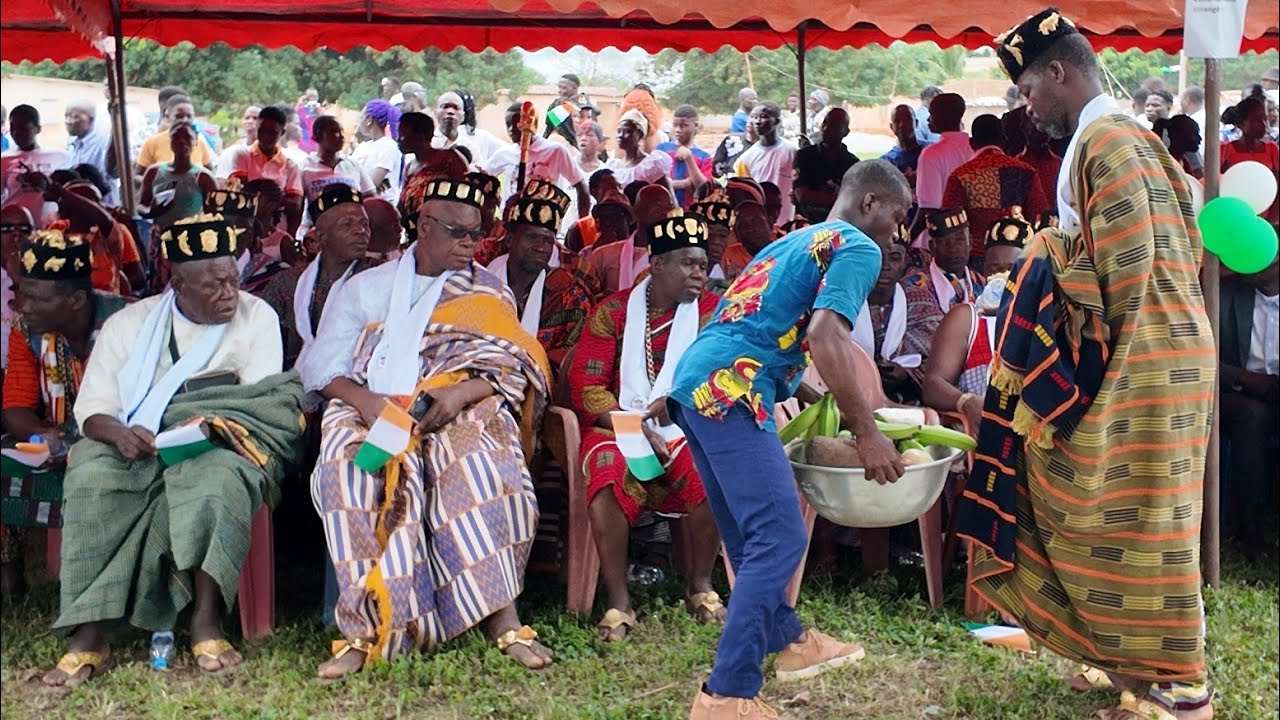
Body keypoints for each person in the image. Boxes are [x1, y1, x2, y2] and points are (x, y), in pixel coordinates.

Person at [959, 12, 1218, 719]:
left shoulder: (1106, 140)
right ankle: (1119, 658)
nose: (1025, 105)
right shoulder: (1125, 136)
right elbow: (1180, 244)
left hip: (1146, 356)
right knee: (1093, 504)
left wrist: (1046, 260)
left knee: (1139, 523)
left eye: (1026, 89)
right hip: (1155, 347)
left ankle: (1182, 690)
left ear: (1057, 73)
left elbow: (1122, 265)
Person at [669, 160, 912, 719]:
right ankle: (726, 695)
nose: (895, 237)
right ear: (871, 204)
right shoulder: (858, 246)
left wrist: (799, 387)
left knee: (753, 541)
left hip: (696, 383)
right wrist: (867, 431)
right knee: (779, 539)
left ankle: (794, 643)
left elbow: (759, 324)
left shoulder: (791, 242)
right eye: (896, 220)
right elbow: (827, 336)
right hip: (731, 392)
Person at [299, 177, 554, 677]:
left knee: (481, 461)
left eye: (477, 235)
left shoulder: (488, 289)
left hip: (455, 404)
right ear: (423, 226)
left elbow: (507, 366)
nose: (469, 245)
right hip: (372, 404)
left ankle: (504, 619)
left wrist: (457, 395)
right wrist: (369, 402)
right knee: (345, 468)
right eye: (457, 233)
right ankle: (363, 629)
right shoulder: (365, 288)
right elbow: (322, 370)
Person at [42, 213, 304, 687]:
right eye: (214, 285)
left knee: (219, 478)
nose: (230, 293)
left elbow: (263, 405)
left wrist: (196, 424)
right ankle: (91, 631)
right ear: (177, 284)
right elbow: (95, 409)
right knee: (89, 475)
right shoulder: (130, 325)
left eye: (233, 279)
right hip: (133, 444)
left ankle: (206, 618)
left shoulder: (256, 317)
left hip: (215, 444)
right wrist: (120, 434)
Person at [567, 214, 726, 642]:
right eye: (688, 264)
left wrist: (680, 408)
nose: (700, 273)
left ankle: (701, 585)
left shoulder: (715, 313)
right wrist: (632, 424)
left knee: (711, 466)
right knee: (604, 469)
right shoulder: (613, 312)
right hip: (615, 426)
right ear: (656, 266)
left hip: (688, 424)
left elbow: (725, 376)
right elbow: (586, 386)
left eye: (703, 263)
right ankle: (619, 599)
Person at [1, 231, 129, 600]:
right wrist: (47, 436)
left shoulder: (125, 322)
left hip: (118, 439)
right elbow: (15, 408)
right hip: (57, 435)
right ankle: (10, 578)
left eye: (36, 297)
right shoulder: (26, 331)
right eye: (22, 293)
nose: (23, 306)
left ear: (75, 300)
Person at [921, 212, 1032, 430]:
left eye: (1011, 268)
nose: (1003, 275)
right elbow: (933, 385)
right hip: (982, 440)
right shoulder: (967, 319)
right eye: (995, 268)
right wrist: (967, 402)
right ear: (984, 270)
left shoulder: (1046, 317)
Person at [259, 185, 376, 369]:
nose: (360, 231)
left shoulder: (379, 277)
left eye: (364, 224)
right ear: (321, 237)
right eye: (347, 224)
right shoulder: (287, 283)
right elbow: (262, 340)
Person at [486, 193, 596, 371]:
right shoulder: (481, 283)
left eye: (548, 241)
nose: (541, 248)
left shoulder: (570, 295)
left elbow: (572, 358)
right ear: (510, 239)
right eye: (531, 237)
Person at [1218, 257, 1278, 558]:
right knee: (1253, 416)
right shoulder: (1225, 293)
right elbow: (1201, 354)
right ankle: (1249, 528)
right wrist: (1243, 377)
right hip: (1232, 394)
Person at [941, 114, 1050, 267]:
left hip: (976, 260)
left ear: (972, 143)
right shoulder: (1026, 171)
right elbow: (1040, 217)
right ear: (1004, 141)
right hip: (1017, 257)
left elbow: (950, 226)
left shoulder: (959, 175)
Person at [851, 224, 937, 403]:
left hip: (909, 403)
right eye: (878, 257)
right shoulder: (843, 297)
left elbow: (939, 360)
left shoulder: (920, 299)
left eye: (895, 258)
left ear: (905, 263)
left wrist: (908, 373)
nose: (885, 266)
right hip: (846, 397)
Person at [483, 102, 590, 220]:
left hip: (542, 222)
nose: (511, 129)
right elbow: (483, 177)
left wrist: (582, 223)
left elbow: (581, 186)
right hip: (510, 221)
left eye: (517, 123)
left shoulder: (555, 151)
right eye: (508, 124)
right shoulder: (504, 154)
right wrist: (498, 203)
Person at [221, 105, 305, 237]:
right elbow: (241, 193)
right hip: (245, 229)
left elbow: (296, 205)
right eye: (261, 131)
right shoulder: (242, 155)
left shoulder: (290, 165)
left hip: (277, 232)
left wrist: (290, 236)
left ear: (282, 133)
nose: (265, 136)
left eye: (272, 133)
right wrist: (279, 198)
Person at [588, 184, 675, 295]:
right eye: (656, 204)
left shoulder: (677, 255)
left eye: (669, 205)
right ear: (636, 210)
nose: (664, 211)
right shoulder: (603, 255)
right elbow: (587, 296)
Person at [909, 93, 973, 242]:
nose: (928, 119)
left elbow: (929, 208)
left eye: (931, 114)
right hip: (970, 236)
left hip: (940, 240)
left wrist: (908, 240)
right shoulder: (973, 148)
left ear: (944, 116)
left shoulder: (931, 154)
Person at [137, 121, 219, 234]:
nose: (181, 141)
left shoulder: (204, 178)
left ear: (196, 142)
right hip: (161, 240)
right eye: (176, 136)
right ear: (169, 141)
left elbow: (215, 216)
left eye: (187, 137)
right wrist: (151, 212)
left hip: (192, 242)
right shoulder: (154, 172)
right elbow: (141, 206)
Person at [902, 208, 983, 321]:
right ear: (932, 248)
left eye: (959, 240)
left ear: (970, 243)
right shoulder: (912, 286)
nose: (953, 248)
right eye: (944, 242)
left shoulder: (982, 284)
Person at [734, 103, 797, 223]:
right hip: (761, 222)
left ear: (777, 121)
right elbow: (743, 193)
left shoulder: (792, 152)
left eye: (763, 116)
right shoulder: (746, 159)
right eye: (754, 117)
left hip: (787, 221)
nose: (757, 121)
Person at [793, 108, 858, 223]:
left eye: (835, 126)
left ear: (846, 132)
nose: (826, 128)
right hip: (805, 225)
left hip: (838, 227)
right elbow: (802, 195)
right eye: (825, 123)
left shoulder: (853, 164)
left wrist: (817, 196)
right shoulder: (804, 155)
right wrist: (839, 199)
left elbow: (853, 202)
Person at [1221, 97, 1279, 224]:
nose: (1264, 124)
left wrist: (1271, 221)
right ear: (1242, 123)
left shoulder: (1272, 150)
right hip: (1233, 218)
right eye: (1257, 119)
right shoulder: (1226, 151)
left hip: (1265, 220)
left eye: (1265, 118)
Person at [1, 105, 70, 204]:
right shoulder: (4, 160)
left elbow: (67, 193)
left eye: (23, 128)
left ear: (38, 129)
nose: (16, 132)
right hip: (17, 216)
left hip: (50, 218)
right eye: (12, 127)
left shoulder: (60, 157)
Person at [300, 115, 376, 204]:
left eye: (342, 131)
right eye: (335, 131)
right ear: (319, 135)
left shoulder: (353, 164)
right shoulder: (304, 168)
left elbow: (370, 197)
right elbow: (297, 207)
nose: (342, 136)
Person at [135, 95, 213, 177]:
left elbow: (211, 174)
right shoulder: (152, 143)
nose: (184, 120)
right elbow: (137, 176)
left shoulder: (199, 142)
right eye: (179, 116)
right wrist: (159, 183)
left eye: (189, 116)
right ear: (168, 116)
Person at [658, 105, 713, 208]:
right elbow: (653, 184)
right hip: (663, 212)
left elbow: (705, 189)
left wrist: (689, 159)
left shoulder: (704, 157)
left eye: (684, 125)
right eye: (675, 125)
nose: (678, 130)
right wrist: (682, 184)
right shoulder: (662, 150)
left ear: (695, 125)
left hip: (690, 214)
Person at [607, 110, 674, 194]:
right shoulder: (612, 166)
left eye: (627, 131)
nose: (621, 135)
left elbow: (669, 198)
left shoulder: (651, 166)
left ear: (640, 135)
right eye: (619, 131)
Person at [433, 92, 504, 170]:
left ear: (463, 116)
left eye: (456, 108)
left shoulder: (471, 148)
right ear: (435, 112)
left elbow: (479, 176)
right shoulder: (426, 143)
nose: (450, 111)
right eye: (444, 107)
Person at [353, 100, 404, 205]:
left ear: (369, 120)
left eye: (361, 117)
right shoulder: (363, 147)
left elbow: (372, 184)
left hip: (383, 209)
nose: (359, 122)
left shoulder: (389, 147)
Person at [881, 104, 931, 206]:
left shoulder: (931, 150)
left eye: (907, 120)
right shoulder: (886, 161)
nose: (902, 125)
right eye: (897, 121)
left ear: (916, 123)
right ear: (892, 127)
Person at [719, 199, 774, 282]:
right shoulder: (726, 257)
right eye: (742, 225)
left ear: (770, 224)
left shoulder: (785, 252)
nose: (750, 229)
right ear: (737, 234)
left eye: (755, 222)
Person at [689, 188, 734, 288]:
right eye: (709, 234)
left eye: (722, 235)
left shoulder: (732, 274)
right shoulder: (677, 273)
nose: (716, 242)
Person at [1018, 111, 1064, 206]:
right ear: (1024, 127)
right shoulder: (1016, 166)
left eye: (1045, 125)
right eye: (1034, 124)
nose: (1039, 129)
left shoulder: (1061, 165)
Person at [63, 100, 110, 181]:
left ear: (90, 120)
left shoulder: (103, 144)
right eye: (66, 116)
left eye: (75, 117)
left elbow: (106, 177)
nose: (68, 121)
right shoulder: (72, 142)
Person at [215, 105, 261, 178]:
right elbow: (221, 180)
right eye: (247, 118)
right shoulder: (230, 152)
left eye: (255, 118)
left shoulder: (276, 154)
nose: (250, 121)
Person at [1155, 115, 1204, 180]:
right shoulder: (1159, 165)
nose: (1200, 138)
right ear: (1178, 136)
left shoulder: (1184, 161)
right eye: (1194, 134)